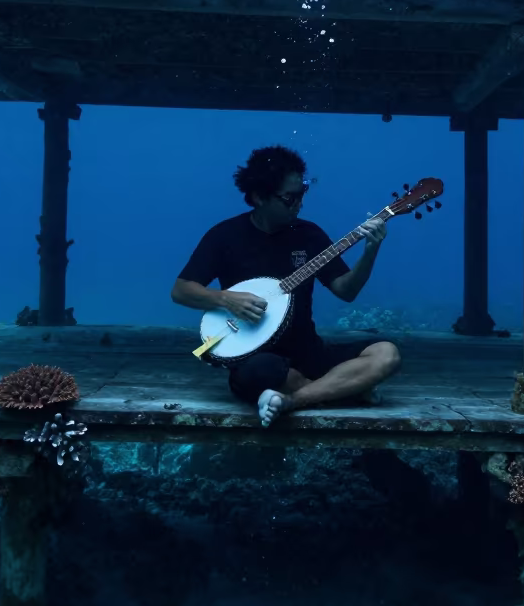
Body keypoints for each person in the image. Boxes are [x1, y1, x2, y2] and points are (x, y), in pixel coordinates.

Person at [171, 145, 401, 428]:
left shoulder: (310, 235)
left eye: (302, 193)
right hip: (257, 355)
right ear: (258, 197)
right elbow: (181, 290)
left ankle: (293, 399)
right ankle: (342, 389)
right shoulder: (225, 236)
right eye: (289, 198)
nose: (299, 204)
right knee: (260, 372)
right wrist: (225, 299)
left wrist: (370, 250)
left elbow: (346, 290)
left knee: (386, 353)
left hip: (307, 350)